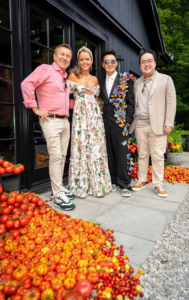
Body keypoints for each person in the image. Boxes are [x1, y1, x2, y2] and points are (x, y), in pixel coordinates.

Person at [21, 44, 75, 211]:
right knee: (56, 156)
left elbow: (64, 100)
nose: (65, 58)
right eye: (62, 54)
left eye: (68, 56)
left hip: (65, 120)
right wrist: (35, 108)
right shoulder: (46, 69)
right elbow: (26, 84)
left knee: (63, 156)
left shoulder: (65, 77)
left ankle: (56, 189)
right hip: (50, 120)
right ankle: (58, 195)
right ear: (54, 56)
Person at [129, 50, 176, 197]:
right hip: (140, 125)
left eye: (149, 61)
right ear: (140, 65)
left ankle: (158, 184)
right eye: (143, 62)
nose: (146, 64)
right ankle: (141, 180)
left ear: (155, 62)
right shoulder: (137, 83)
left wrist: (169, 122)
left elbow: (171, 102)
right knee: (142, 154)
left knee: (157, 155)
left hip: (158, 125)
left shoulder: (166, 79)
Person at [67, 46, 112, 198]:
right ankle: (81, 185)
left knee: (95, 147)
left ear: (92, 61)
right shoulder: (72, 76)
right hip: (80, 116)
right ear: (78, 62)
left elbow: (98, 99)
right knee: (81, 146)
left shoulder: (95, 79)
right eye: (81, 59)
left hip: (94, 117)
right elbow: (64, 96)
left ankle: (98, 184)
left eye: (87, 59)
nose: (84, 62)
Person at [100, 49, 135, 197]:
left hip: (120, 123)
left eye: (112, 61)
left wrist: (127, 122)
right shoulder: (100, 81)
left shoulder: (125, 79)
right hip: (105, 121)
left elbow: (131, 103)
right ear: (102, 64)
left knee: (122, 153)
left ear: (116, 63)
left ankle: (125, 184)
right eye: (106, 62)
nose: (109, 64)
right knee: (109, 152)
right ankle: (114, 180)